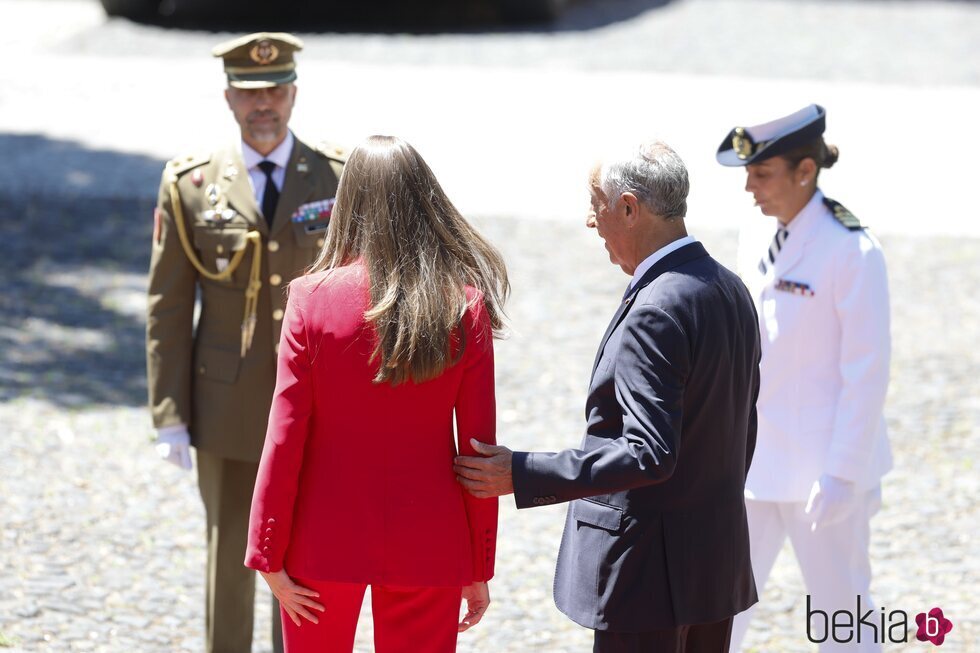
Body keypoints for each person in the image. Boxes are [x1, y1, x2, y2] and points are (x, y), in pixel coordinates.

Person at [454, 141, 761, 652]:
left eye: (594, 201)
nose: (589, 220)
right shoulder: (728, 287)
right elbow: (739, 429)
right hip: (711, 566)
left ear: (628, 207)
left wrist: (523, 472)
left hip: (647, 576)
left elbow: (648, 451)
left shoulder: (657, 308)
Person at [244, 135, 509, 653]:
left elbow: (285, 436)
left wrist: (267, 553)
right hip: (430, 541)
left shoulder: (309, 300)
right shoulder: (465, 307)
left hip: (322, 539)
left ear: (348, 203)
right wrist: (477, 565)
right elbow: (477, 452)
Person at [145, 32, 347, 653]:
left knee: (306, 555)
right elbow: (169, 306)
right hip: (226, 406)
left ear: (293, 93)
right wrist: (170, 416)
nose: (265, 105)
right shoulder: (190, 184)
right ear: (229, 97)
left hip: (317, 404)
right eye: (251, 93)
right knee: (233, 549)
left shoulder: (338, 177)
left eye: (276, 91)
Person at [715, 104, 892, 652]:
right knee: (720, 610)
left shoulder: (852, 251)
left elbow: (866, 372)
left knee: (843, 618)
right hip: (754, 464)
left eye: (762, 173)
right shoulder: (757, 232)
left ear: (805, 172)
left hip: (823, 472)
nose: (750, 188)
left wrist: (842, 473)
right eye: (748, 173)